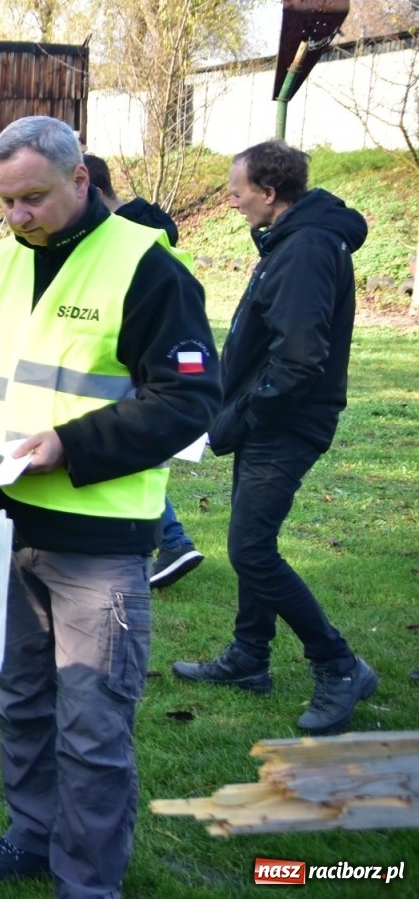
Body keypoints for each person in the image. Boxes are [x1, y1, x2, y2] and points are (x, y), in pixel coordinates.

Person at [0, 116, 220, 895]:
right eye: (5, 202)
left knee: (92, 726)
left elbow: (190, 398)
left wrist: (71, 445)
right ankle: (32, 834)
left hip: (99, 542)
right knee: (21, 703)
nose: (17, 216)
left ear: (80, 180)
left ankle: (86, 881)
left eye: (33, 199)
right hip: (4, 524)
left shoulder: (148, 269)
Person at [173, 140, 379, 735]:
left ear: (268, 192)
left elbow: (298, 360)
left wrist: (239, 418)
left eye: (238, 192)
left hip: (284, 423)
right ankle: (248, 657)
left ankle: (339, 664)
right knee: (252, 538)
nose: (232, 202)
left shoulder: (308, 247)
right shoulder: (293, 239)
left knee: (250, 548)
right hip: (266, 417)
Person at [82, 153, 204, 589]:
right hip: (147, 362)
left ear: (88, 190)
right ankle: (173, 540)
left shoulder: (131, 240)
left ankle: (173, 539)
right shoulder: (147, 230)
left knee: (126, 452)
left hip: (137, 363)